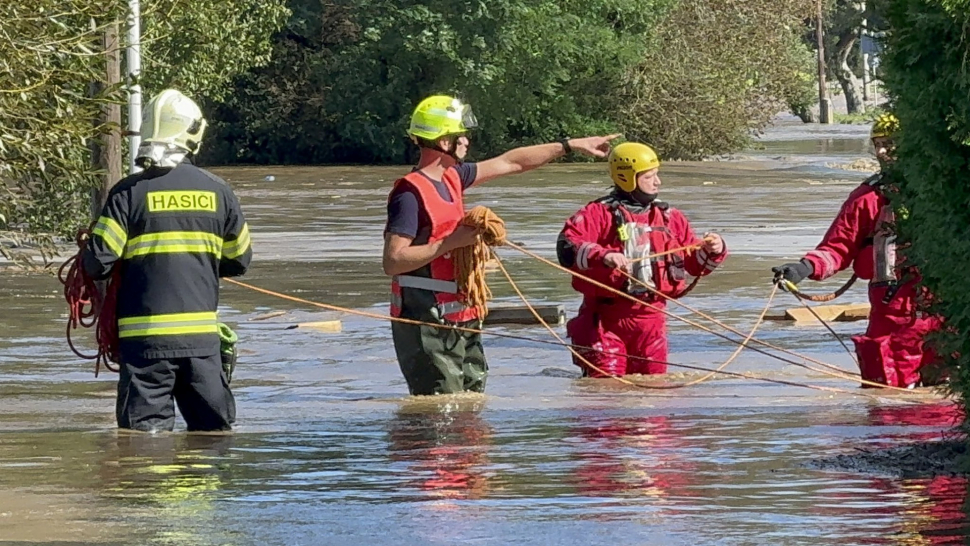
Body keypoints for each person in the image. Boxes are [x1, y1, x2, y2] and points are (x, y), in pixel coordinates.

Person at [383, 94, 618, 395]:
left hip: (460, 314)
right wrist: (451, 242)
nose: (467, 141)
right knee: (440, 409)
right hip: (425, 319)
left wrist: (570, 145)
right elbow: (393, 261)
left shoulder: (454, 176)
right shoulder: (409, 194)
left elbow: (512, 162)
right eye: (461, 135)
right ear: (444, 143)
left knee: (471, 404)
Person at [82, 89, 252, 431]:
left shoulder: (127, 193)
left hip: (144, 347)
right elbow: (238, 260)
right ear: (192, 133)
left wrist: (89, 243)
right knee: (212, 438)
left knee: (143, 445)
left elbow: (97, 263)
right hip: (201, 347)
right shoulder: (219, 191)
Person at [771, 113, 942, 388]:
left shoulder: (945, 191)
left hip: (943, 316)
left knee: (946, 410)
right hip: (889, 319)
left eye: (892, 143)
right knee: (884, 408)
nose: (884, 151)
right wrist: (804, 268)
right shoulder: (866, 198)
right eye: (878, 144)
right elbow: (837, 247)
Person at [556, 142, 727, 377]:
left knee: (656, 392)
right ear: (627, 178)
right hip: (604, 320)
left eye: (657, 175)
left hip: (652, 319)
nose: (658, 182)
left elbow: (694, 265)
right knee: (606, 391)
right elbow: (567, 247)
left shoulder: (670, 217)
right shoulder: (596, 213)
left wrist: (714, 249)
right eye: (650, 176)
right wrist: (603, 255)